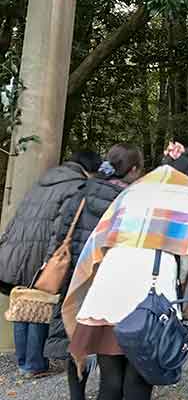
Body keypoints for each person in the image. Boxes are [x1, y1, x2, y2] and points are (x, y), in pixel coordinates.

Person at [62, 141, 188, 400]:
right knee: (138, 380)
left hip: (108, 286)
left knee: (110, 380)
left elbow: (101, 240)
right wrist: (187, 306)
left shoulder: (134, 192)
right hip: (150, 292)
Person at [45, 143, 144, 399]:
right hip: (109, 284)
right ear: (133, 171)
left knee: (75, 338)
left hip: (77, 277)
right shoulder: (131, 202)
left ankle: (77, 395)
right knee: (108, 347)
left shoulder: (82, 191)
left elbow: (60, 232)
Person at [0, 150, 101, 377]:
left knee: (24, 303)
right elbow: (61, 225)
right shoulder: (76, 185)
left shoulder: (46, 180)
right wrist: (51, 258)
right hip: (41, 249)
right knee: (42, 304)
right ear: (90, 169)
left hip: (17, 247)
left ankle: (24, 360)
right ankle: (34, 364)